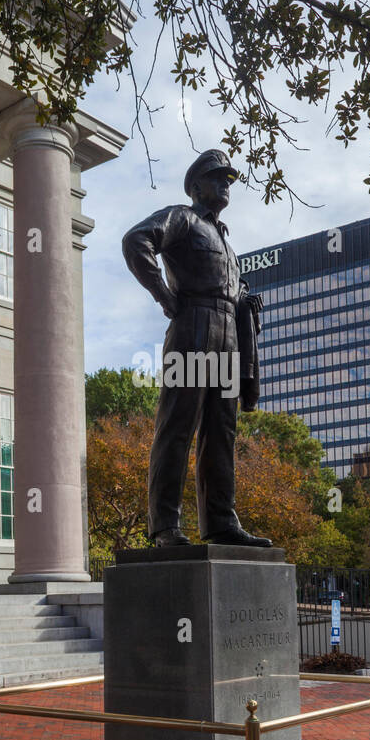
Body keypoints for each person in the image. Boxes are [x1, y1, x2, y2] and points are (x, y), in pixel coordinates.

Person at [122, 148, 272, 548]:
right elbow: (136, 240)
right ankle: (164, 526)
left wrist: (243, 300)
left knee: (221, 432)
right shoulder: (183, 219)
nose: (225, 184)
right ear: (196, 186)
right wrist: (163, 295)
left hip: (227, 337)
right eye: (217, 177)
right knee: (178, 427)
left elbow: (231, 289)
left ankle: (221, 523)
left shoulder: (226, 240)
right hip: (193, 328)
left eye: (228, 179)